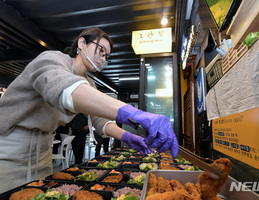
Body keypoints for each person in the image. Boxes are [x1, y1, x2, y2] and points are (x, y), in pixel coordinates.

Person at [0, 27, 178, 193]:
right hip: (10, 148)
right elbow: (64, 88)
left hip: (43, 151)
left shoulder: (89, 83)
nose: (103, 58)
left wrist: (127, 137)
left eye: (107, 56)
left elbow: (100, 121)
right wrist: (135, 114)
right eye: (101, 50)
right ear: (81, 43)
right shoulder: (52, 59)